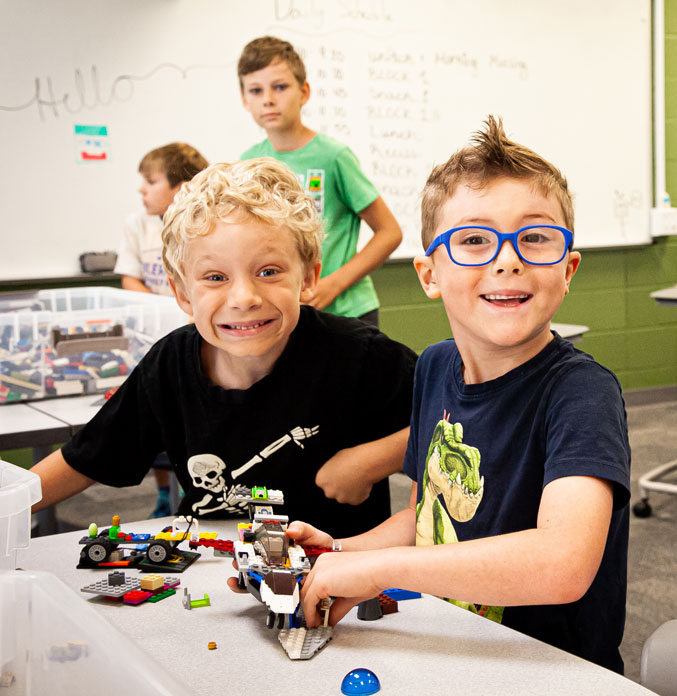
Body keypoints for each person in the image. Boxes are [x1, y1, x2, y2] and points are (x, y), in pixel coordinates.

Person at [287, 117, 631, 673]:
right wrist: (341, 552)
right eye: (473, 239)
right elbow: (432, 516)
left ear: (567, 270)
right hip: (457, 648)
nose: (507, 258)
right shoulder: (436, 365)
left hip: (552, 673)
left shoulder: (581, 393)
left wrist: (381, 572)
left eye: (535, 237)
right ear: (428, 274)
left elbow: (563, 563)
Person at [31, 158, 417, 538]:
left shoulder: (360, 357)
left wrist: (369, 462)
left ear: (308, 277)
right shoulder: (170, 365)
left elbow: (461, 422)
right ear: (182, 292)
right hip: (209, 575)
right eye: (215, 277)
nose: (244, 298)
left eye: (268, 272)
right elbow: (82, 460)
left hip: (341, 579)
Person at [238, 36, 401, 326]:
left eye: (280, 87)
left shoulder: (333, 156)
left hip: (348, 312)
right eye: (255, 90)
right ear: (244, 99)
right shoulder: (248, 162)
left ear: (304, 92)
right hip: (288, 313)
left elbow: (389, 232)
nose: (268, 99)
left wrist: (333, 284)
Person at [114, 142, 209, 516]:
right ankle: (163, 495)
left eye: (151, 181)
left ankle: (188, 491)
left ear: (181, 187)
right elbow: (129, 279)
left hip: (196, 333)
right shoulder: (137, 225)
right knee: (155, 417)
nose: (142, 189)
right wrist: (173, 309)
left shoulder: (205, 224)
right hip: (154, 336)